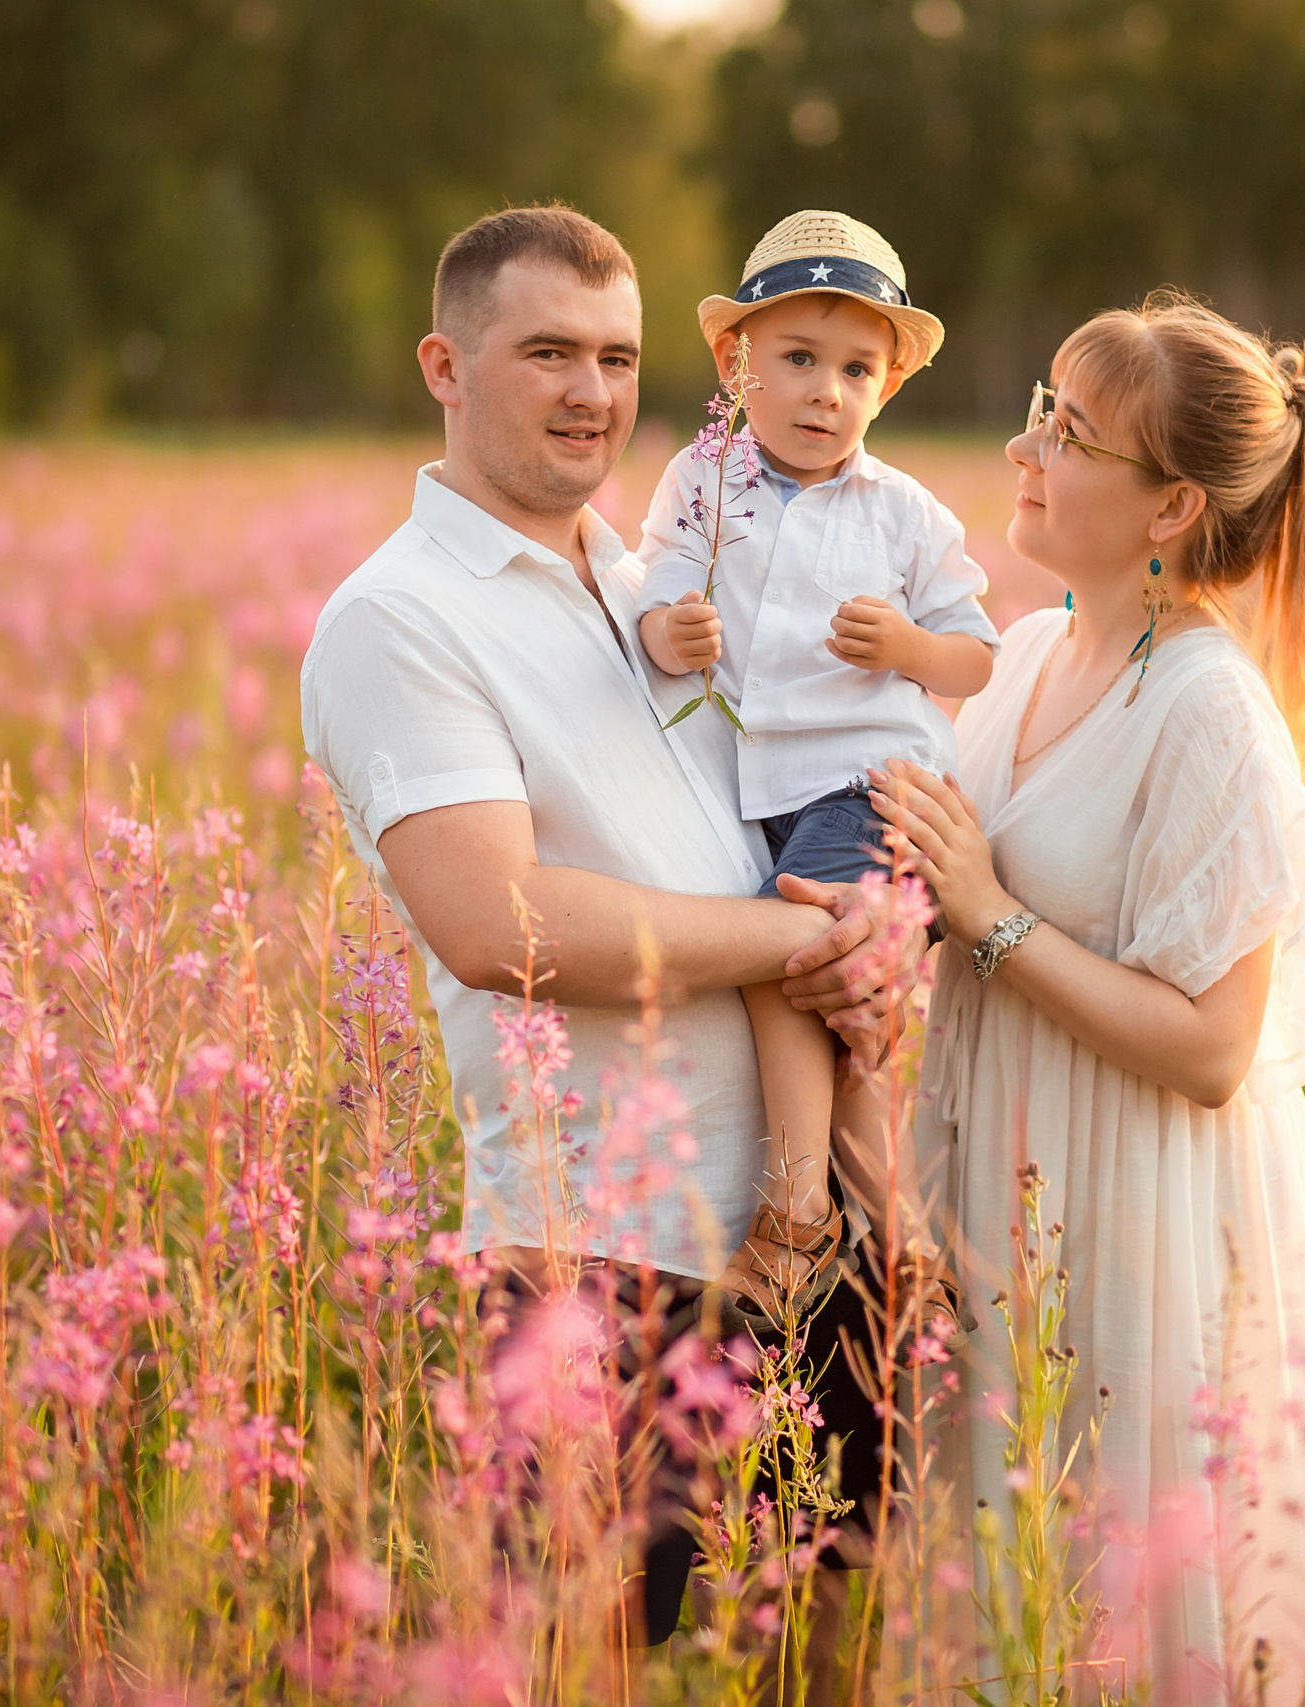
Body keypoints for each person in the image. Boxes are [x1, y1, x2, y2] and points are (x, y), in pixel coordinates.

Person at [296, 205, 909, 1667]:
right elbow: (498, 921)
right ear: (444, 364)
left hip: (799, 1222)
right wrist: (794, 944)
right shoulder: (400, 617)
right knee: (586, 1648)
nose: (594, 393)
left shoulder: (650, 584)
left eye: (621, 357)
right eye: (549, 353)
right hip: (598, 1249)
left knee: (828, 1639)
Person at [870, 291, 1305, 1706]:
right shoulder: (1032, 650)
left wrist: (986, 913)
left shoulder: (1210, 706)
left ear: (1170, 505)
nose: (1028, 446)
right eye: (1041, 405)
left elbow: (1216, 1049)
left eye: (1072, 432)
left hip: (1143, 1198)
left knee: (1120, 1572)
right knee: (1005, 1562)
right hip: (1010, 1173)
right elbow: (949, 894)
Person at [634, 209, 996, 1339]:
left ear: (885, 389)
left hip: (869, 792)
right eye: (796, 359)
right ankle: (899, 1235)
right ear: (737, 364)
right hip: (757, 798)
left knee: (786, 955)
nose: (822, 392)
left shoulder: (903, 512)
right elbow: (652, 587)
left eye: (854, 369)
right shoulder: (700, 480)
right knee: (843, 1019)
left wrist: (906, 652)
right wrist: (667, 637)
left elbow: (974, 655)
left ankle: (796, 1212)